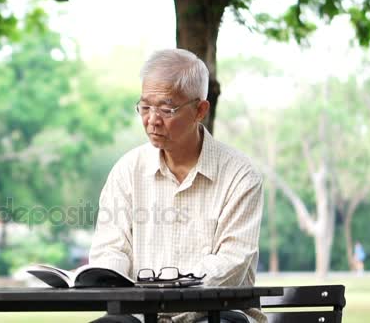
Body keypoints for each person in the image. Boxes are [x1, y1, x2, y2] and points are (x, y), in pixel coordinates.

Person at [89, 49, 264, 323]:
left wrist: (169, 297)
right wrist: (106, 278)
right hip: (142, 315)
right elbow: (111, 249)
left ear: (200, 110)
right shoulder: (127, 170)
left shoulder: (239, 175)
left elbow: (232, 262)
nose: (152, 120)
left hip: (217, 314)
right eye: (145, 107)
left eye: (166, 109)